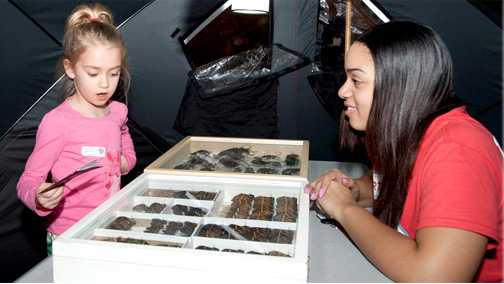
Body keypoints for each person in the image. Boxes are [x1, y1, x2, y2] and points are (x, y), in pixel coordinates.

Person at [305, 20, 502, 282]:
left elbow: (436, 277)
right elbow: (393, 180)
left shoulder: (458, 151)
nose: (342, 90)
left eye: (356, 80)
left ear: (399, 84)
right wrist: (357, 190)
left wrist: (344, 209)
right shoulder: (409, 131)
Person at [17, 3, 137, 254]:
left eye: (114, 74)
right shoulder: (58, 122)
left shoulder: (117, 111)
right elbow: (27, 181)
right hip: (70, 235)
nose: (105, 83)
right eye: (93, 73)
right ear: (71, 69)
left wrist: (125, 161)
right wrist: (38, 196)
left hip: (111, 225)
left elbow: (123, 136)